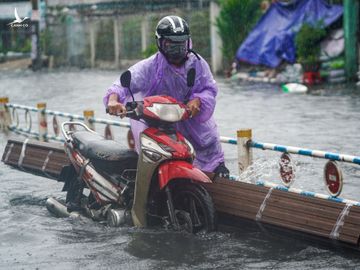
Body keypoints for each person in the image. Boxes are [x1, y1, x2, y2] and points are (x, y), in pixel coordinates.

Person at [104, 15, 229, 177]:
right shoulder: (150, 67)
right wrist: (113, 100)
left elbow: (209, 88)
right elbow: (123, 83)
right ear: (160, 43)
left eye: (181, 45)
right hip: (164, 130)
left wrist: (198, 100)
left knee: (217, 175)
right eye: (171, 45)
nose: (177, 51)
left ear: (188, 43)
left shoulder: (198, 64)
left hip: (198, 131)